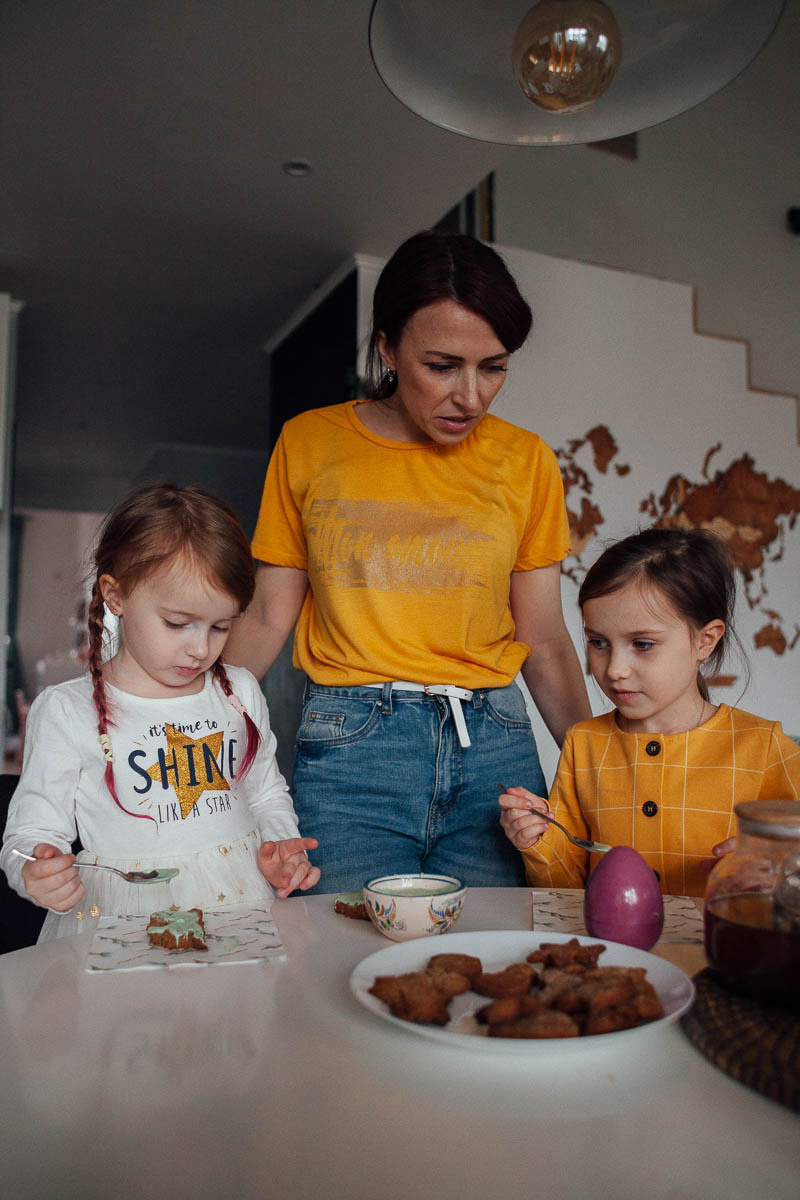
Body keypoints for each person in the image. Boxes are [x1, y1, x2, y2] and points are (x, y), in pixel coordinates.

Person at [225, 229, 591, 892]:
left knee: (487, 967)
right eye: (443, 365)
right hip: (352, 749)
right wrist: (180, 723)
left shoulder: (527, 461)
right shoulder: (311, 444)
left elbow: (543, 638)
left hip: (497, 754)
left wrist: (604, 768)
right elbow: (266, 615)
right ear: (389, 347)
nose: (472, 397)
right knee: (344, 960)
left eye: (494, 366)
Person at [1, 483, 319, 941]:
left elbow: (266, 793)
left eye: (221, 626)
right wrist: (35, 869)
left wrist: (281, 845)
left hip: (237, 905)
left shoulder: (240, 692)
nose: (201, 648)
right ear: (116, 595)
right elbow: (29, 833)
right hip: (119, 920)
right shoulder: (68, 711)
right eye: (177, 623)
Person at [499, 527, 800, 897]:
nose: (614, 669)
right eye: (598, 643)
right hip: (617, 953)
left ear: (705, 641)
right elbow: (568, 890)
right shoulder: (584, 744)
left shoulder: (763, 747)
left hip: (722, 950)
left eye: (642, 644)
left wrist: (778, 863)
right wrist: (539, 840)